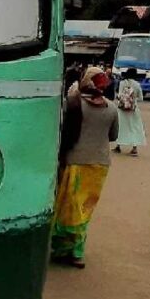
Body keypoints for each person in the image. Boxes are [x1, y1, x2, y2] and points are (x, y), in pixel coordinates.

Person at [51, 66, 118, 269]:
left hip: (74, 162)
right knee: (84, 209)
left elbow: (60, 132)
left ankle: (71, 252)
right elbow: (113, 136)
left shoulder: (71, 103)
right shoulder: (112, 108)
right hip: (99, 165)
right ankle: (72, 250)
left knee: (67, 207)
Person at [114, 68, 146, 155]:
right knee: (134, 127)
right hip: (133, 109)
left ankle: (118, 146)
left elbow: (119, 95)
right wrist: (132, 100)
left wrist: (123, 99)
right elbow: (141, 98)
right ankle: (134, 148)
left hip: (122, 109)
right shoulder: (137, 84)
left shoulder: (122, 83)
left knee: (121, 127)